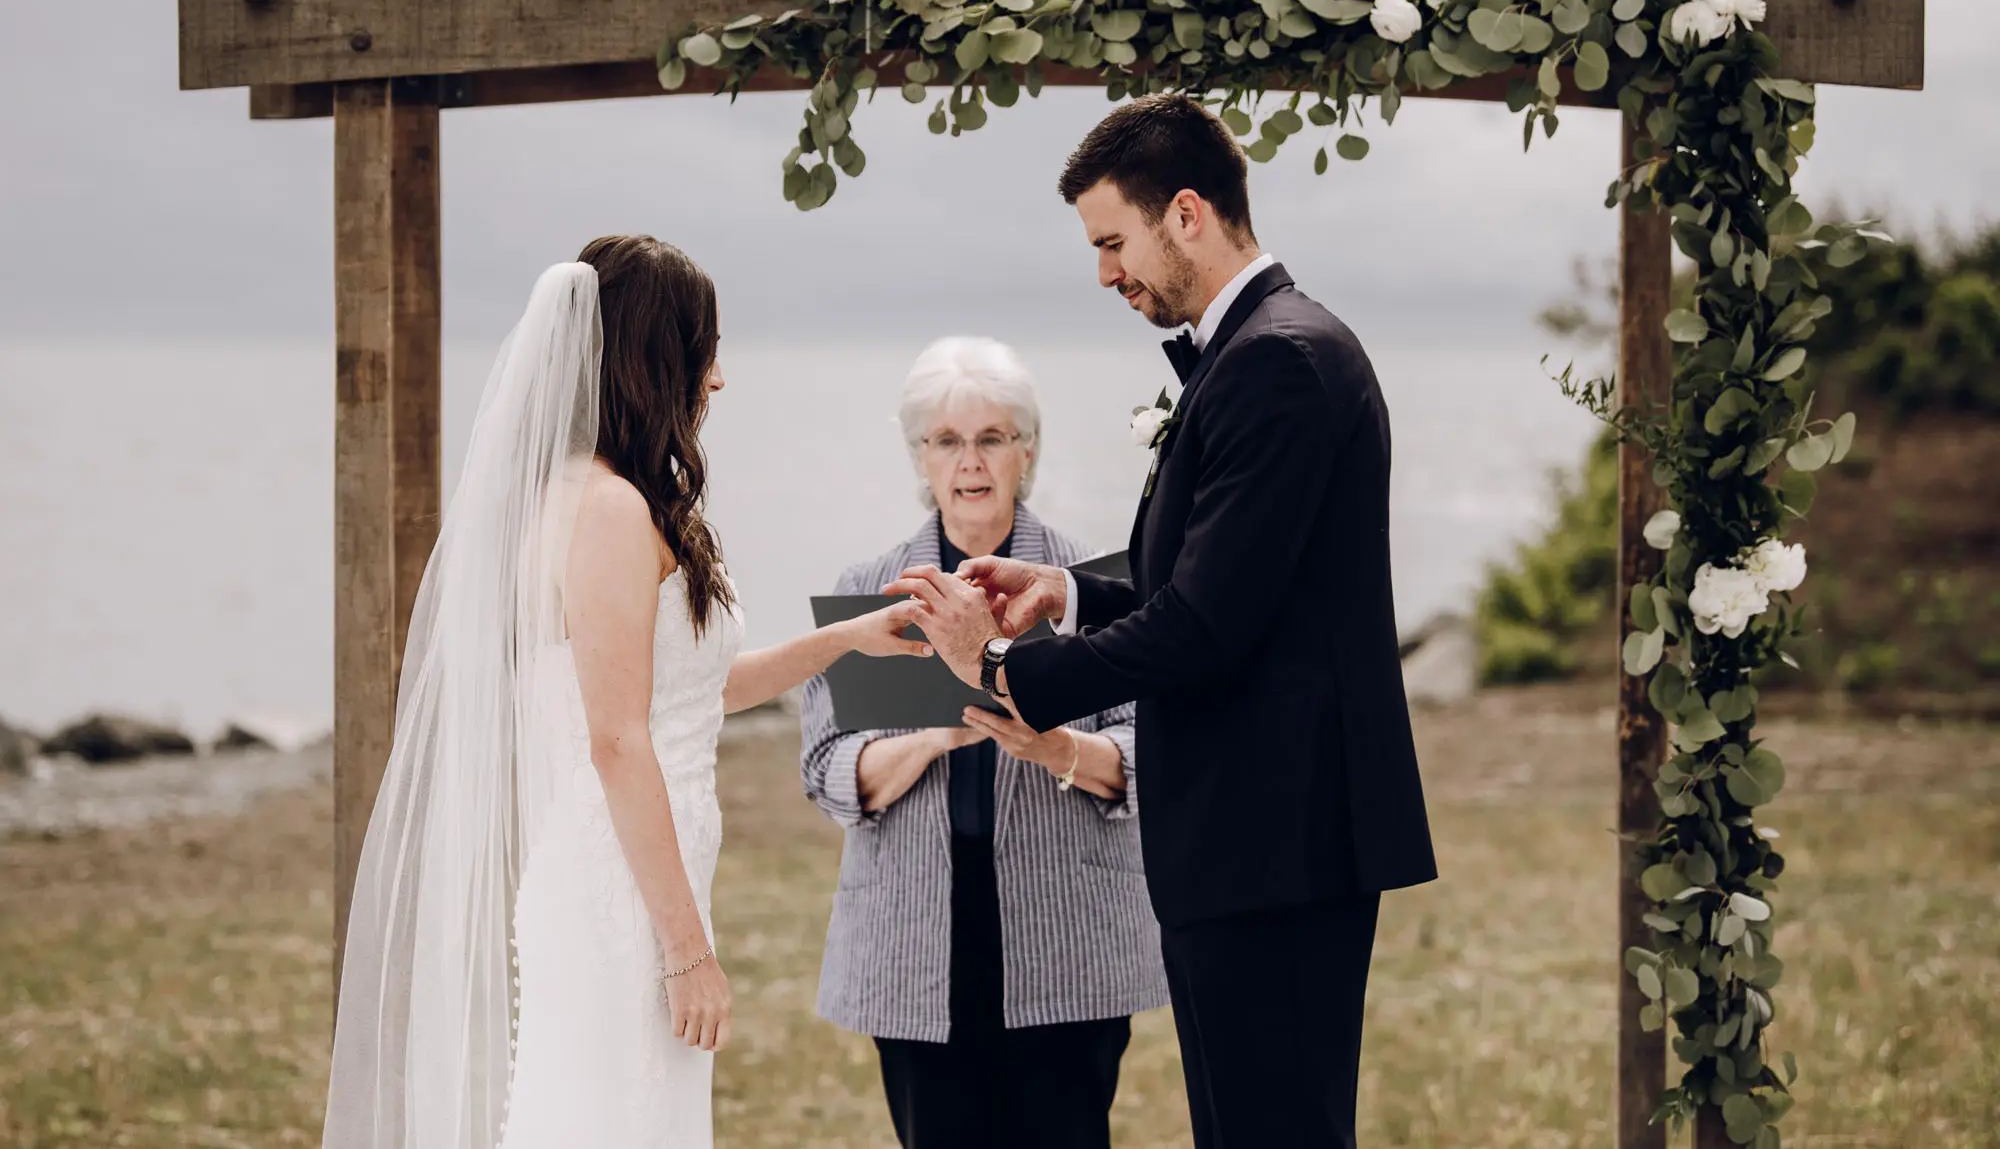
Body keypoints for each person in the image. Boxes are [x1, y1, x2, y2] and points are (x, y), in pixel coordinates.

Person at [888, 94, 1438, 1149]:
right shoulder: (1258, 351)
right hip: (1251, 839)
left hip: (1274, 837)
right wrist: (1067, 594)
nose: (1103, 272)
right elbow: (1215, 581)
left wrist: (1000, 660)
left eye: (1110, 241)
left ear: (1184, 213)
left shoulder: (1276, 361)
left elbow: (1203, 627)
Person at [321, 236, 931, 1149]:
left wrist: (845, 639)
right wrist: (688, 952)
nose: (717, 379)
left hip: (639, 877)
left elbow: (693, 693)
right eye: (704, 348)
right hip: (621, 897)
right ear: (655, 357)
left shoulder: (594, 498)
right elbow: (618, 738)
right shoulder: (605, 511)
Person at [800, 336, 1168, 1149]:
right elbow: (824, 770)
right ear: (921, 457)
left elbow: (1152, 755)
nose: (970, 461)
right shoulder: (869, 589)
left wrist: (1058, 747)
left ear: (1025, 452)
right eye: (947, 440)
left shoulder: (1090, 581)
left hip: (1068, 936)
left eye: (992, 437)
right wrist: (933, 735)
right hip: (913, 940)